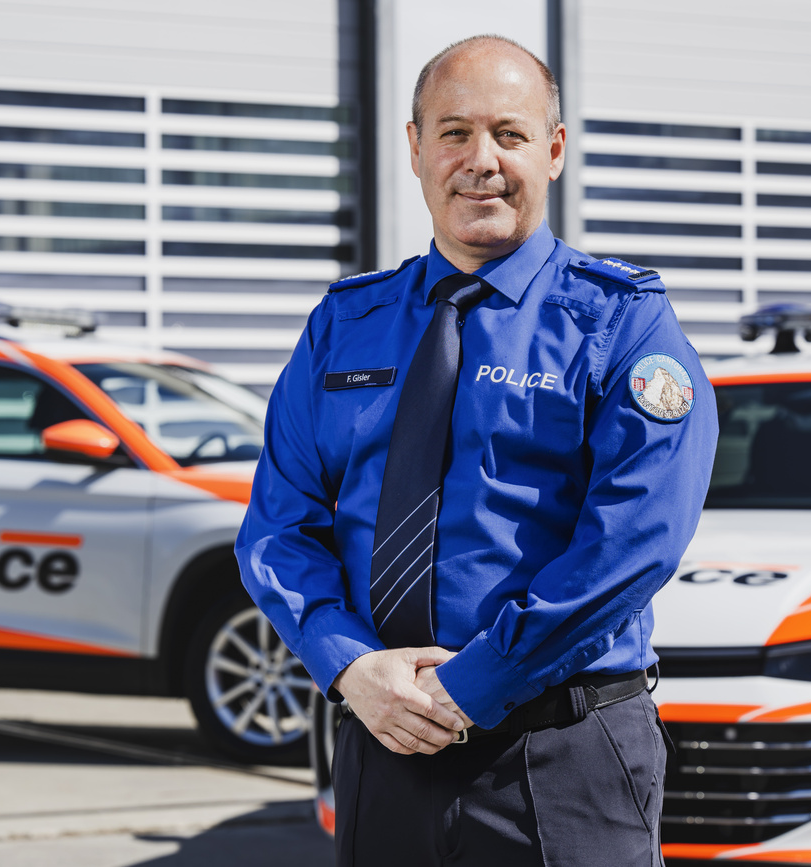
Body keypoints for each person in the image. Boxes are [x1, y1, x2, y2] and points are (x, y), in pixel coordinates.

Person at [235, 33, 718, 866]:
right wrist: (349, 667)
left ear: (555, 150)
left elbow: (632, 544)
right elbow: (278, 529)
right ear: (416, 149)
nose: (481, 160)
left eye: (510, 133)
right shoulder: (344, 326)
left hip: (561, 755)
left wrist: (471, 686)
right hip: (381, 740)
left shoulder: (621, 324)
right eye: (454, 132)